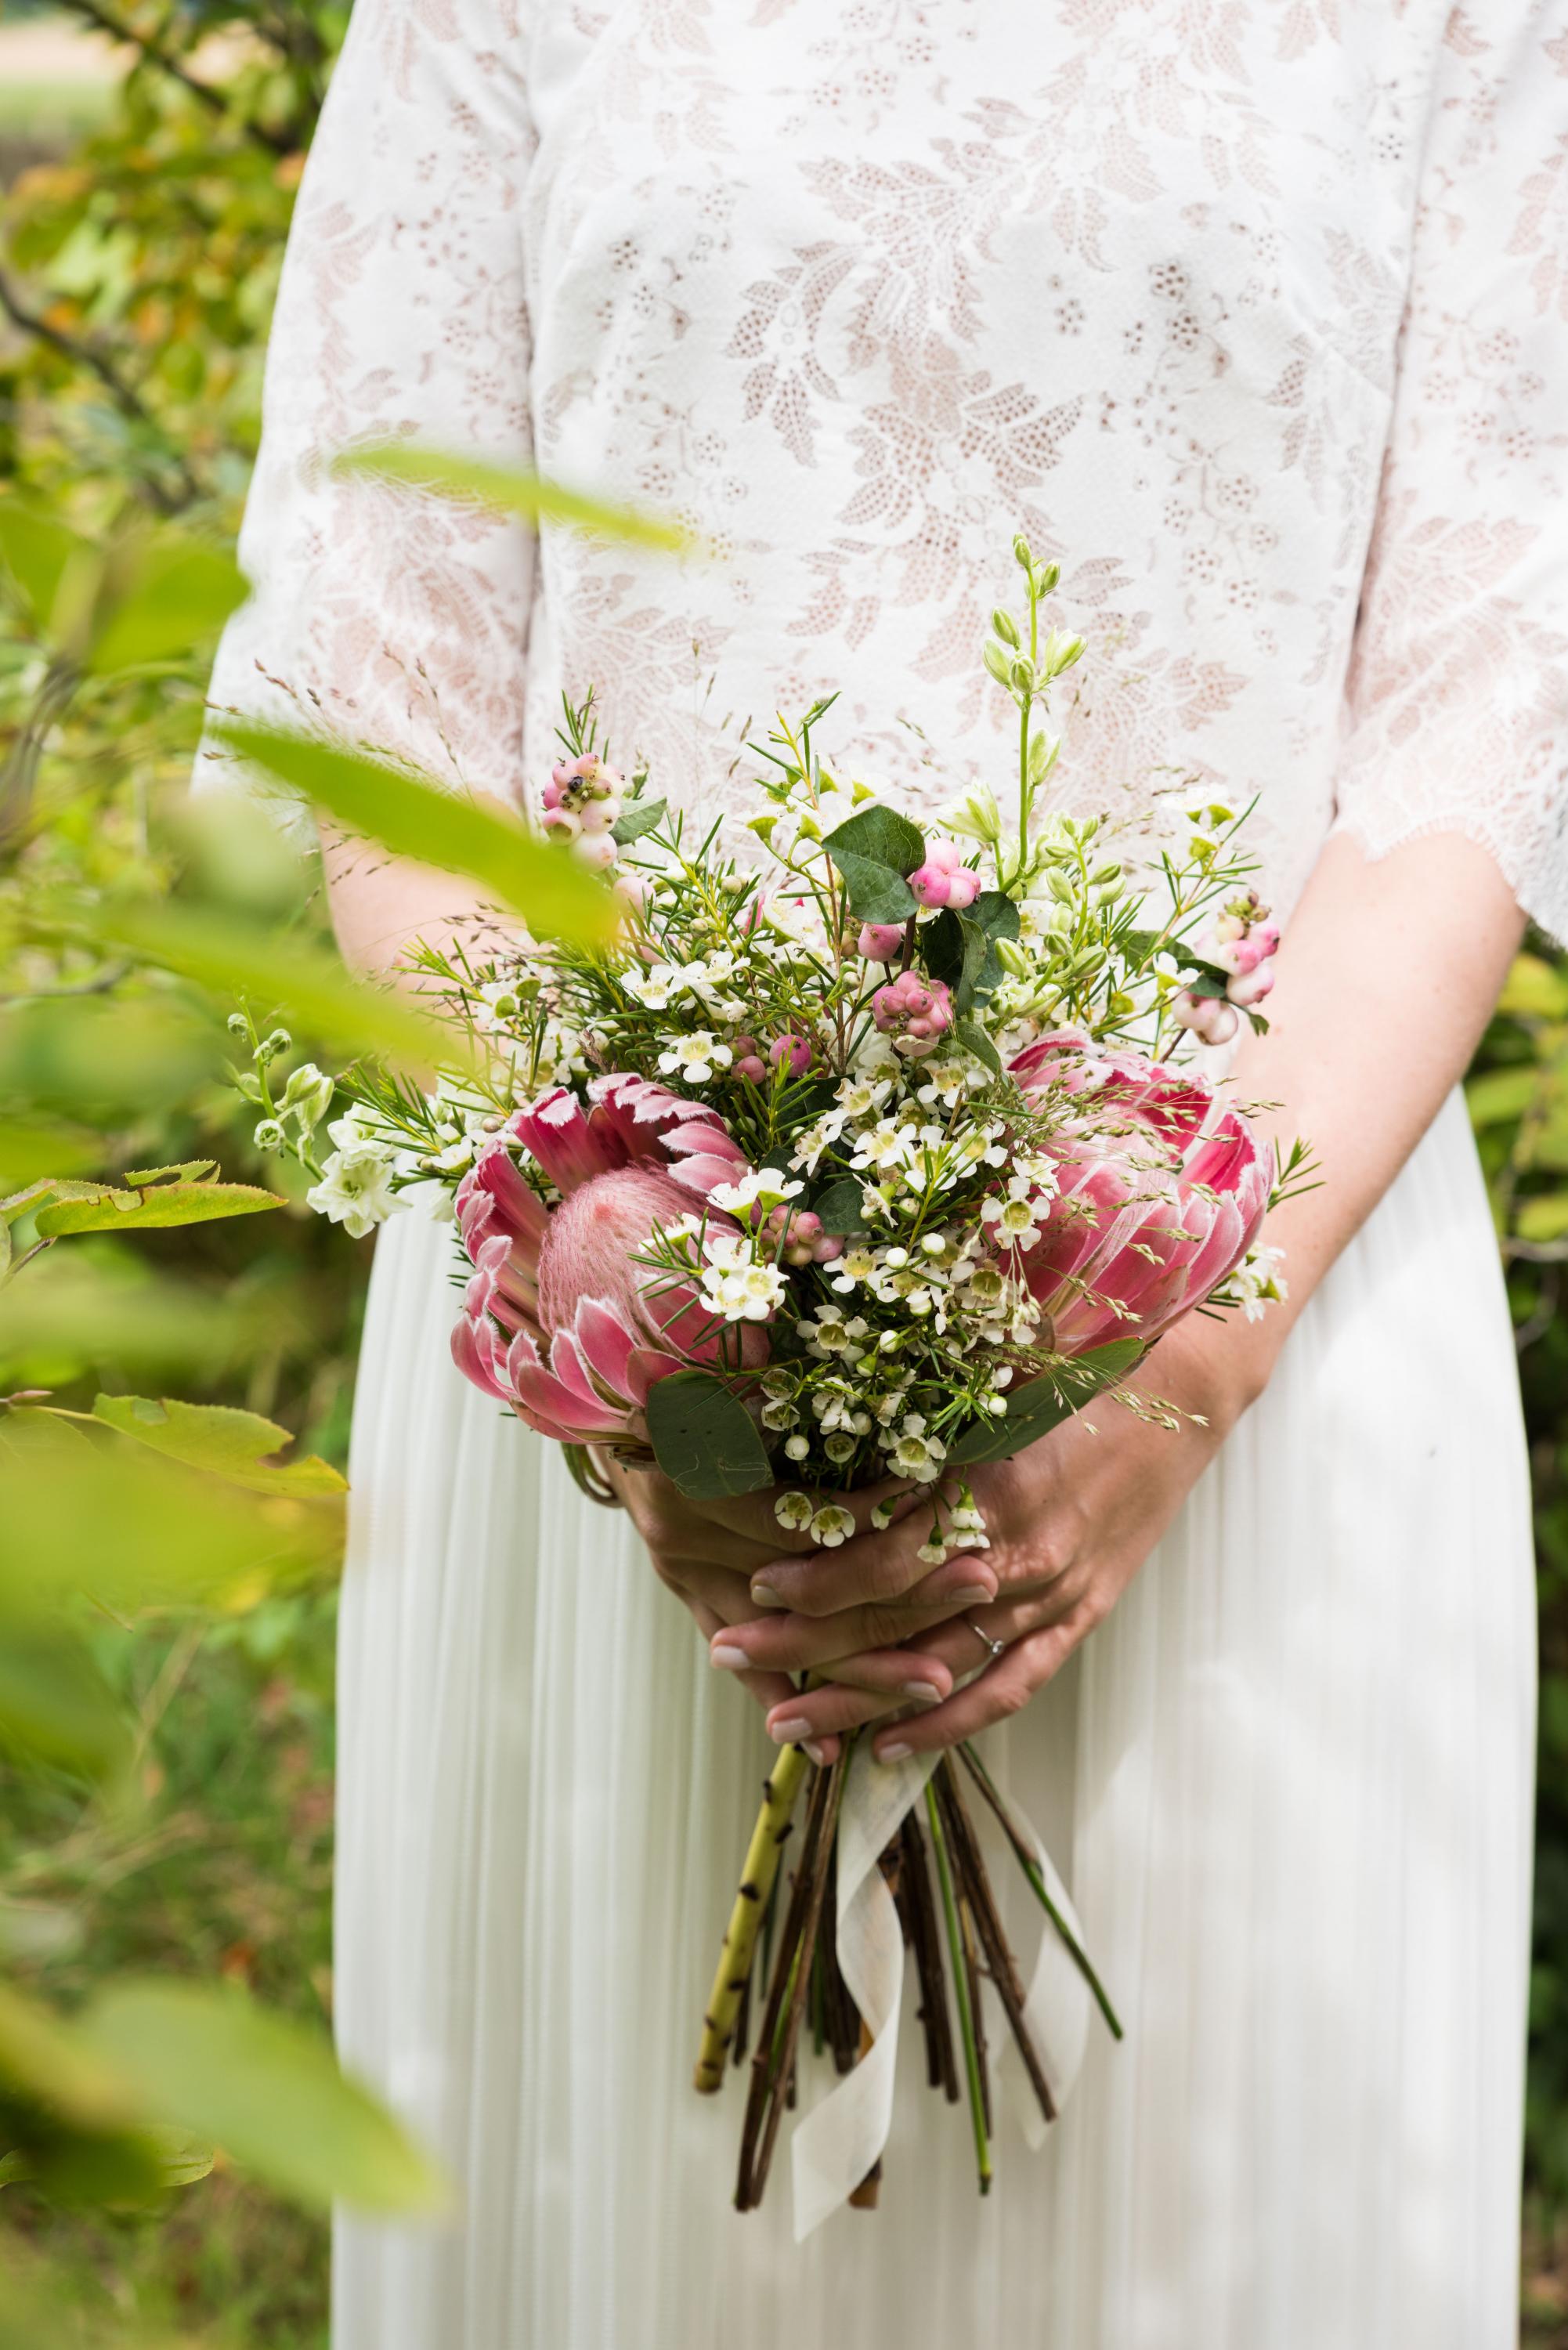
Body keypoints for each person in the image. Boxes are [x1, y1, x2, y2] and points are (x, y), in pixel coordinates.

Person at [198, 3, 1567, 2341]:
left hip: (1260, 1344)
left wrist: (1164, 1384)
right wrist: (640, 1318)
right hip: (624, 1421)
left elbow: (1490, 688)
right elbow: (386, 680)